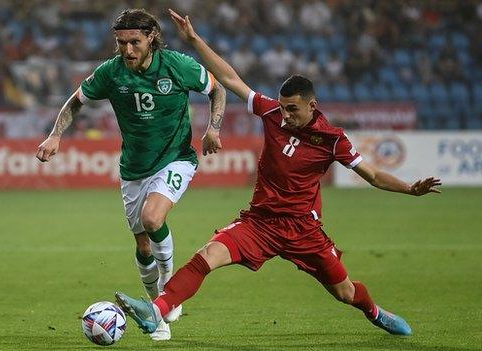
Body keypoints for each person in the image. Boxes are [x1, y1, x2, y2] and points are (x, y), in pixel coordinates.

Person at [114, 9, 442, 338]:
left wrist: (411, 189)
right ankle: (156, 310)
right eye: (283, 107)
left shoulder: (332, 139)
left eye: (293, 109)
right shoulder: (272, 113)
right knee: (207, 256)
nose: (285, 115)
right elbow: (230, 80)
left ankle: (374, 311)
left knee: (345, 292)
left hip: (303, 230)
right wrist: (195, 39)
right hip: (260, 222)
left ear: (312, 107)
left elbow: (372, 175)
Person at [35, 9, 226, 341]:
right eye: (121, 42)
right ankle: (159, 311)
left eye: (134, 42)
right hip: (134, 169)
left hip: (176, 158)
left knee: (153, 220)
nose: (127, 50)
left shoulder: (177, 65)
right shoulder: (111, 72)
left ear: (151, 38)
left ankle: (169, 288)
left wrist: (213, 127)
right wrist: (56, 134)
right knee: (142, 245)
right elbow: (76, 101)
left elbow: (217, 89)